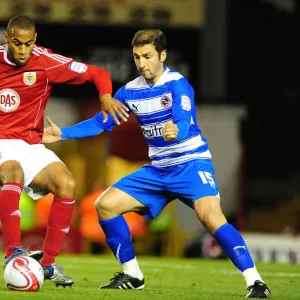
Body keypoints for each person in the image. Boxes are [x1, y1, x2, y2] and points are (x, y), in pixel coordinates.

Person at [43, 29, 271, 298]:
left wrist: (178, 131)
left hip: (190, 163)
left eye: (148, 56)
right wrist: (63, 133)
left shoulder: (177, 84)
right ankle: (132, 274)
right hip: (159, 170)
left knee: (210, 216)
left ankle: (256, 282)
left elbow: (184, 119)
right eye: (137, 57)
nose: (142, 63)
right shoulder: (129, 91)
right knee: (105, 206)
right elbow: (101, 122)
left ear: (162, 55)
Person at [0, 15, 129, 287]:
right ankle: (13, 253)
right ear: (7, 39)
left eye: (28, 44)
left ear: (34, 41)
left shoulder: (45, 62)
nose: (23, 50)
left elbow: (98, 73)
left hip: (31, 143)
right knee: (13, 170)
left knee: (67, 183)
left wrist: (105, 96)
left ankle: (48, 264)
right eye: (17, 43)